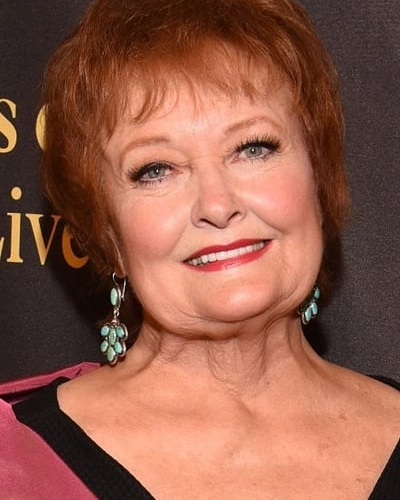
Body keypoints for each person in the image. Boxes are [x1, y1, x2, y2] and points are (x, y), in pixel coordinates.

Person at [0, 0, 399, 498]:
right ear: (106, 233)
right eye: (156, 170)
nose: (217, 205)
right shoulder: (13, 463)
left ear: (318, 180)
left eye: (253, 148)